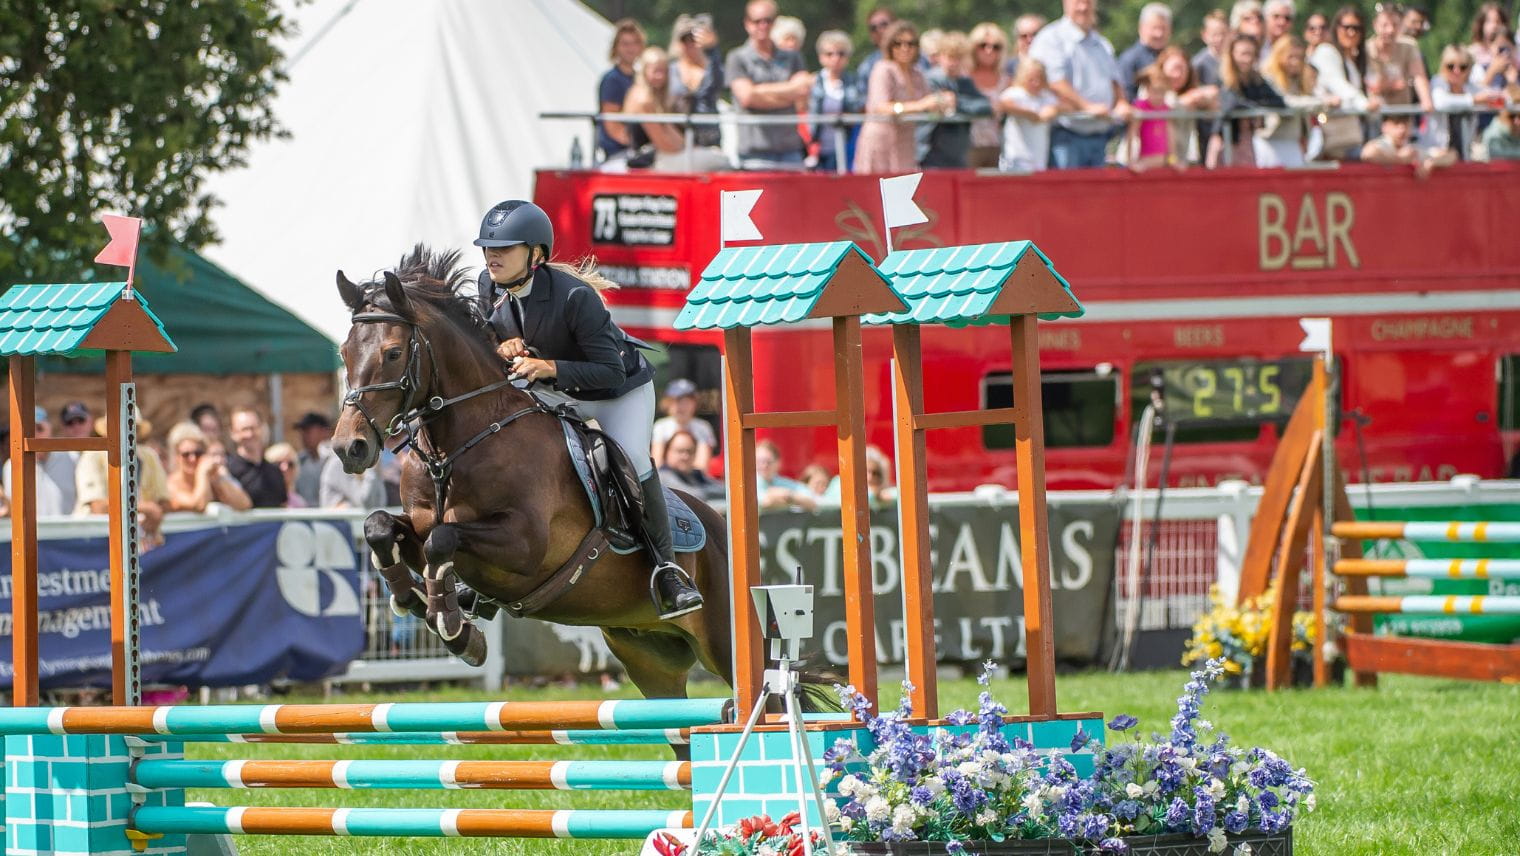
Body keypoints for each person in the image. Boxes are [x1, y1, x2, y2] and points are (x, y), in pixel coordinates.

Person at [472, 199, 702, 619]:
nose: (492, 255)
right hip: (554, 388)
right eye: (489, 247)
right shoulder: (488, 286)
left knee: (632, 458)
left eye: (504, 247)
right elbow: (489, 338)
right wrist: (500, 345)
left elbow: (609, 371)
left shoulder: (575, 296)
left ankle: (668, 570)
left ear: (535, 254)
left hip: (617, 392)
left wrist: (550, 366)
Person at [1029, 0, 1131, 169]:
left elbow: (1114, 80)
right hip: (1065, 137)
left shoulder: (1102, 43)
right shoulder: (1051, 38)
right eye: (1078, 2)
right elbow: (1055, 82)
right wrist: (1087, 106)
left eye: (1088, 2)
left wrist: (1121, 102)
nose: (1083, 7)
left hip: (1100, 137)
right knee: (1067, 187)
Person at [726, 0, 812, 170]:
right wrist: (789, 93)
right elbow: (747, 97)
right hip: (754, 154)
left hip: (790, 151)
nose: (763, 26)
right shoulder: (737, 57)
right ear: (747, 23)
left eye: (768, 20)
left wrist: (759, 92)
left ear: (775, 22)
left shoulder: (793, 57)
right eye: (757, 21)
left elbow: (802, 91)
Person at [855, 20, 948, 173]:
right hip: (881, 140)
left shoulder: (916, 73)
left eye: (910, 44)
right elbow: (881, 107)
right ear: (890, 46)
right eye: (898, 44)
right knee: (876, 186)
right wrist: (920, 105)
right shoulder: (883, 69)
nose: (905, 48)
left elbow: (928, 102)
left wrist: (942, 101)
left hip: (905, 142)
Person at [624, 46, 729, 172]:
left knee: (714, 154)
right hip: (648, 160)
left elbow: (670, 132)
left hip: (660, 156)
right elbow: (663, 143)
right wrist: (685, 150)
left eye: (664, 71)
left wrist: (689, 147)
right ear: (645, 71)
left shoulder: (656, 99)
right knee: (720, 160)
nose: (660, 76)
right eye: (656, 71)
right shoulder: (643, 99)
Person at [75, 416, 168, 549]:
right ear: (107, 431)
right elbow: (98, 508)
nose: (126, 432)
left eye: (132, 427)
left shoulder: (149, 456)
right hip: (96, 542)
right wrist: (146, 509)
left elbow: (164, 502)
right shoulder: (92, 455)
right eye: (119, 427)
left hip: (139, 541)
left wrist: (151, 515)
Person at [1312, 6, 1380, 160]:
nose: (1351, 32)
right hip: (1331, 140)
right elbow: (1339, 86)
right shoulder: (1326, 52)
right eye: (1346, 27)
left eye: (1356, 28)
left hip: (1356, 135)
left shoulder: (1355, 61)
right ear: (1336, 28)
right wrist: (1365, 104)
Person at [1209, 35, 1286, 168]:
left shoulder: (1256, 80)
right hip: (1225, 140)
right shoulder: (1223, 78)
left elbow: (1279, 102)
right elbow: (1231, 105)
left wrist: (1255, 107)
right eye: (1243, 54)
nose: (1247, 59)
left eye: (1251, 54)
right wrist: (1255, 108)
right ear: (1232, 55)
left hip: (1247, 141)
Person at [920, 31, 993, 169]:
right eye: (950, 56)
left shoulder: (965, 82)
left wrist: (958, 103)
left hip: (958, 156)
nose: (953, 62)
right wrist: (963, 105)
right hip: (931, 154)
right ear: (940, 56)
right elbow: (940, 104)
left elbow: (985, 106)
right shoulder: (930, 80)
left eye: (958, 58)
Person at [1260, 35, 1332, 167]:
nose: (1296, 62)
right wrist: (1321, 102)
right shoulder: (1268, 78)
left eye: (1299, 57)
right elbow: (1285, 102)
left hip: (1294, 141)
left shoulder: (1299, 80)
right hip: (1272, 141)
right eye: (1291, 57)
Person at [809, 30, 866, 172]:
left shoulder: (855, 81)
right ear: (821, 57)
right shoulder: (812, 82)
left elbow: (862, 109)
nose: (835, 58)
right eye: (829, 54)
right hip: (819, 149)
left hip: (848, 147)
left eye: (841, 53)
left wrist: (848, 116)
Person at [2, 407, 76, 517]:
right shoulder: (11, 466)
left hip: (70, 527)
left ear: (50, 429)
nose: (34, 435)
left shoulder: (71, 458)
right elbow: (11, 510)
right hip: (31, 528)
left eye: (39, 428)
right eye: (27, 431)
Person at [165, 422, 252, 512]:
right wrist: (202, 473)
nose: (192, 459)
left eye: (198, 453)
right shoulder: (171, 486)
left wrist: (219, 479)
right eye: (186, 454)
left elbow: (244, 504)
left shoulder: (211, 477)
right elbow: (199, 505)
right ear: (176, 457)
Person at [669, 13, 724, 151]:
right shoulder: (669, 70)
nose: (690, 44)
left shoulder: (712, 68)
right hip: (677, 140)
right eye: (684, 40)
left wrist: (712, 48)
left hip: (709, 141)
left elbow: (719, 82)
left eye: (693, 39)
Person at [1366, 4, 1433, 114]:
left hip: (1403, 114)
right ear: (1375, 25)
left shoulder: (1409, 46)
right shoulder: (1366, 49)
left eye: (1395, 25)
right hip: (1374, 115)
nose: (1390, 30)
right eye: (1385, 25)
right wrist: (1390, 86)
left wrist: (1426, 100)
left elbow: (1419, 76)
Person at [1430, 44, 1492, 160]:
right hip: (1437, 151)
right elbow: (1441, 103)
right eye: (1450, 66)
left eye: (1463, 67)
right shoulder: (1437, 82)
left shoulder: (1471, 88)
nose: (1456, 71)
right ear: (1443, 66)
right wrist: (1474, 100)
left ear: (1469, 69)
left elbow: (1494, 96)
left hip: (1465, 153)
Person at [999, 59, 1061, 172]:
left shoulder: (1045, 96)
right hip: (1016, 158)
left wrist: (1051, 111)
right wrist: (1030, 114)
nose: (1036, 83)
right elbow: (1004, 104)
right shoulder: (1015, 93)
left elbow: (1060, 107)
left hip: (1039, 157)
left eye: (1039, 79)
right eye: (1031, 79)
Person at [597, 19, 646, 163]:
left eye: (634, 43)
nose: (630, 48)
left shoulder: (641, 78)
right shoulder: (612, 80)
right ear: (616, 47)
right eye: (625, 44)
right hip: (620, 154)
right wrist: (638, 147)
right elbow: (612, 125)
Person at [966, 22, 1011, 167]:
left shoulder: (1007, 80)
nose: (989, 50)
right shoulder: (964, 77)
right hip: (968, 146)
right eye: (983, 45)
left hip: (999, 147)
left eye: (995, 47)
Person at [651, 378, 716, 474]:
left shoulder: (703, 428)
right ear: (667, 404)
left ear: (694, 403)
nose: (681, 407)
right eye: (676, 401)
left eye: (686, 402)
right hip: (667, 478)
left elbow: (702, 467)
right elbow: (657, 463)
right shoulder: (660, 426)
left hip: (693, 480)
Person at [225, 407, 287, 508]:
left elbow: (283, 505)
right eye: (244, 429)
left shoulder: (275, 471)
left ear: (262, 429)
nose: (250, 434)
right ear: (233, 433)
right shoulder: (228, 470)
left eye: (253, 428)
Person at [1361, 111, 1456, 175]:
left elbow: (1451, 155)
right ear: (1385, 127)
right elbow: (1368, 154)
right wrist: (1400, 159)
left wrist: (1431, 163)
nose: (1402, 130)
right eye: (1396, 124)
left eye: (1405, 124)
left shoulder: (1411, 148)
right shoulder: (1382, 144)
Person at [1118, 3, 1171, 101]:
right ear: (1141, 28)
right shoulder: (1129, 59)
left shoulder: (1173, 57)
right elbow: (1127, 97)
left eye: (1163, 28)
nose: (1159, 34)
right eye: (1154, 28)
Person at [657, 429, 723, 502]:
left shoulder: (696, 475)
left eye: (689, 451)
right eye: (680, 451)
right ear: (667, 452)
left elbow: (724, 490)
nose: (685, 456)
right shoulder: (661, 477)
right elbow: (694, 496)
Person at [755, 440, 815, 511]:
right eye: (759, 461)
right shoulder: (749, 485)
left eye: (768, 462)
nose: (764, 466)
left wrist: (788, 496)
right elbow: (765, 502)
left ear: (778, 463)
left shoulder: (784, 483)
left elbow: (812, 501)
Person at [290, 411, 333, 507]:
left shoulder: (337, 461)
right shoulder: (297, 461)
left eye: (308, 430)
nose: (303, 435)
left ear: (323, 431)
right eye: (302, 431)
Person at [319, 450, 386, 510]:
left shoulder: (363, 461)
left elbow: (380, 503)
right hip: (336, 519)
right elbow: (365, 502)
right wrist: (371, 467)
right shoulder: (339, 462)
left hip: (354, 519)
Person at [857, 6, 898, 83]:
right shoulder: (867, 66)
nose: (879, 30)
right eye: (873, 28)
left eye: (884, 24)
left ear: (896, 25)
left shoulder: (917, 58)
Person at [1469, 3, 1513, 72]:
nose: (1494, 26)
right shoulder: (1472, 52)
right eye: (1488, 21)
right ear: (1481, 24)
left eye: (1497, 21)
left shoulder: (1510, 50)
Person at [263, 442, 307, 508]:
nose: (285, 468)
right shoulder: (260, 498)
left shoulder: (299, 502)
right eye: (278, 463)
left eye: (290, 464)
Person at [1193, 10, 1230, 87]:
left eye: (1223, 33)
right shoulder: (1198, 63)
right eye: (1214, 34)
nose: (1220, 38)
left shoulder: (1236, 59)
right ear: (1204, 35)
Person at [1005, 14, 1047, 79]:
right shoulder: (1006, 68)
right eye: (1024, 36)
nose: (1029, 39)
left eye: (1035, 34)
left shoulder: (1053, 64)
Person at [1480, 94, 1520, 159]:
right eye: (1512, 116)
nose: (1517, 122)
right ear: (1501, 115)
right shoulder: (1493, 135)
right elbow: (1498, 157)